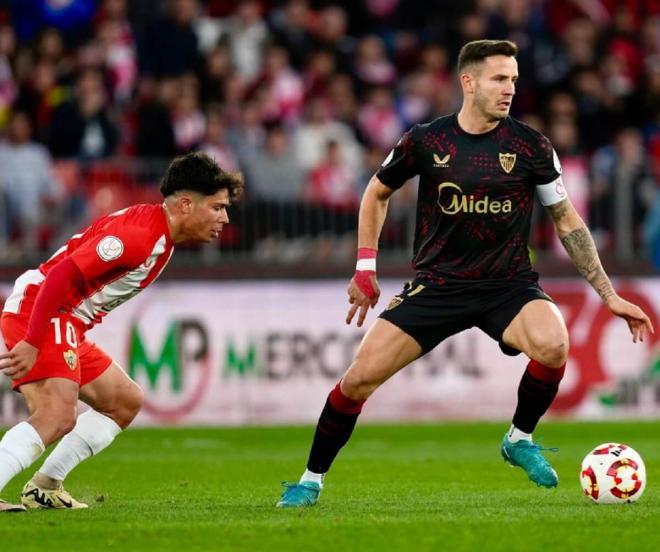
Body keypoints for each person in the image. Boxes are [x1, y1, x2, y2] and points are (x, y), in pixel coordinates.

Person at [276, 40, 654, 508]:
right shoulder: (426, 141)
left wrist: (607, 293)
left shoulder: (532, 146)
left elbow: (567, 220)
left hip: (507, 285)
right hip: (437, 285)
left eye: (514, 79)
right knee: (357, 382)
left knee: (555, 344)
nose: (509, 88)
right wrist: (365, 267)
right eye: (499, 78)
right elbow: (376, 192)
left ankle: (519, 439)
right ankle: (310, 481)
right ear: (468, 82)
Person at [0, 152, 243, 512]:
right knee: (56, 415)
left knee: (124, 402)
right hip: (44, 309)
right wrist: (33, 342)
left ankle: (45, 487)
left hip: (65, 320)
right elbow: (61, 276)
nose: (224, 218)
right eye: (218, 207)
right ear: (187, 204)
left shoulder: (160, 234)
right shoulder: (140, 238)